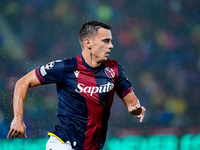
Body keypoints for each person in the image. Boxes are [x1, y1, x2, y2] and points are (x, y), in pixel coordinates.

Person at [7, 20, 146, 150]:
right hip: (63, 144)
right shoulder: (65, 67)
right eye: (105, 41)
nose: (111, 46)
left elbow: (131, 101)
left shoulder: (114, 69)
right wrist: (18, 118)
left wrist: (135, 108)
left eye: (110, 41)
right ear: (88, 43)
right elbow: (22, 82)